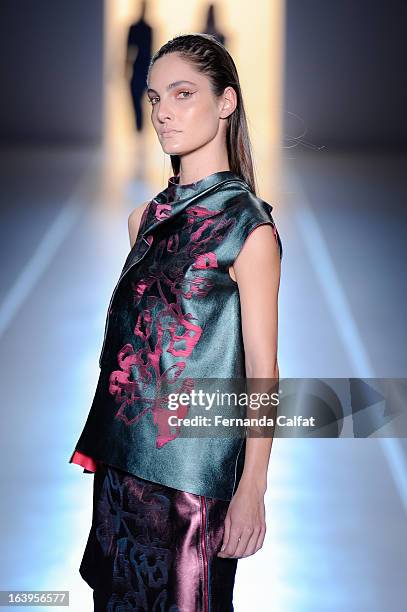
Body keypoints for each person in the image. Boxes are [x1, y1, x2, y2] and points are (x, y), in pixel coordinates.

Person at [69, 33, 282, 611]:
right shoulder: (145, 217)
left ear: (226, 103)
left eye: (184, 94)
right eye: (155, 97)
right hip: (122, 469)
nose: (164, 110)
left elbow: (264, 370)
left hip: (194, 481)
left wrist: (252, 488)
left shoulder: (248, 230)